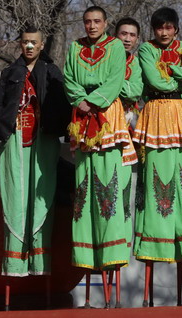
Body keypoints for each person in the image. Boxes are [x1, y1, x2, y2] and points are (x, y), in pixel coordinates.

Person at [132, 6, 182, 306]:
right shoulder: (146, 50)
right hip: (156, 113)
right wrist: (181, 76)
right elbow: (155, 80)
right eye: (159, 28)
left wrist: (175, 73)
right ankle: (155, 242)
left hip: (180, 114)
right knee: (156, 181)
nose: (163, 32)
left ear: (175, 29)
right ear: (154, 30)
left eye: (168, 27)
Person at [63, 5, 136, 308]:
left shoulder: (115, 46)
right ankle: (89, 261)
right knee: (85, 192)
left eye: (96, 21)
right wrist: (79, 100)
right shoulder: (74, 47)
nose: (91, 26)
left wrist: (91, 102)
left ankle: (112, 262)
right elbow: (69, 77)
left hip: (108, 117)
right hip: (81, 121)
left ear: (106, 24)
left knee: (107, 190)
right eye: (87, 22)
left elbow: (115, 80)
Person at [0, 25, 69, 278]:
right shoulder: (9, 73)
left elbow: (63, 103)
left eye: (34, 42)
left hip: (44, 139)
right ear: (20, 44)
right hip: (14, 138)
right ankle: (15, 264)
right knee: (15, 196)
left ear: (42, 45)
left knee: (42, 198)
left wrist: (66, 131)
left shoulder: (52, 72)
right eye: (25, 42)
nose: (29, 46)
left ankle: (40, 263)